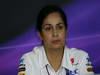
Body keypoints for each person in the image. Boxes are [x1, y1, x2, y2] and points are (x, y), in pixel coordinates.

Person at [18, 5, 94, 75]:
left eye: (60, 27)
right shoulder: (29, 60)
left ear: (66, 31)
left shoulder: (81, 57)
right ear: (40, 35)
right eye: (48, 28)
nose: (55, 34)